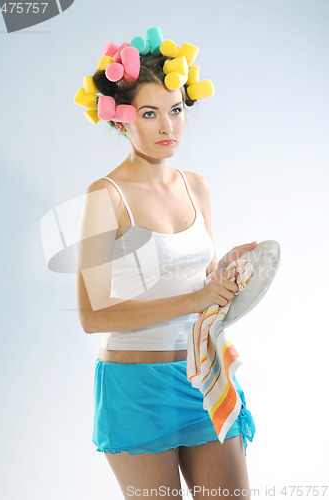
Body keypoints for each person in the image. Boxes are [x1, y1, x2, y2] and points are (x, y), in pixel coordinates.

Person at [75, 31, 257, 500]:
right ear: (120, 121)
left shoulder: (197, 187)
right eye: (149, 113)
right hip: (135, 388)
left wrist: (227, 275)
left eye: (175, 111)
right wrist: (195, 296)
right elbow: (92, 316)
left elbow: (203, 285)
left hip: (200, 376)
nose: (167, 127)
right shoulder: (106, 196)